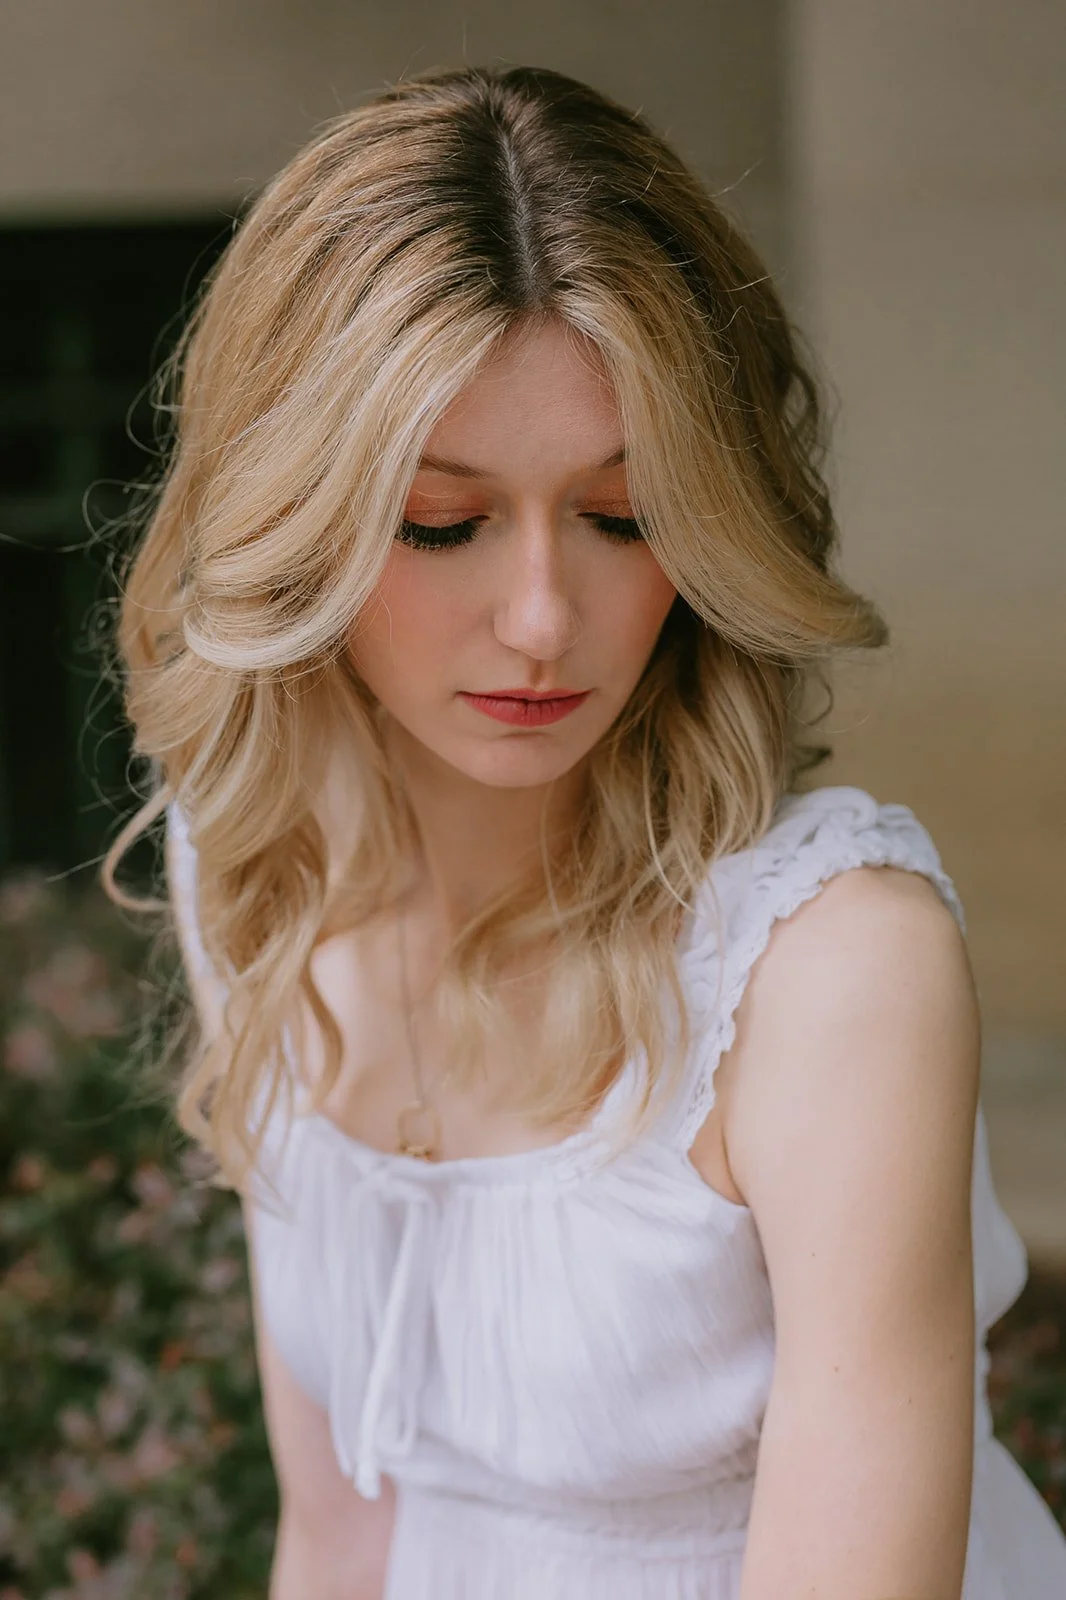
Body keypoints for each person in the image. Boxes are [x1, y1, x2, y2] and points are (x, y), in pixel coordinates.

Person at [104, 63, 1066, 1600]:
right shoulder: (255, 874)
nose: (544, 618)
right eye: (442, 522)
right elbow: (343, 1531)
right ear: (299, 522)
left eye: (624, 516)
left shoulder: (827, 973)